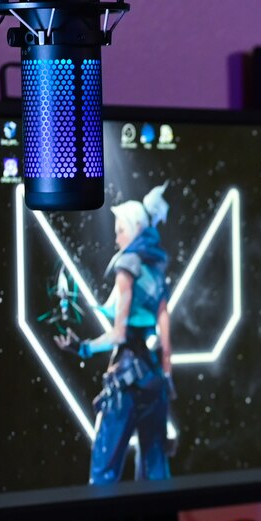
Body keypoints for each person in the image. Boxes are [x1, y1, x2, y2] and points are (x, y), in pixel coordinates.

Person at [56, 186, 175, 484]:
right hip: (153, 379)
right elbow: (164, 323)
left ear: (136, 229)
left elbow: (119, 333)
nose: (117, 237)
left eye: (121, 230)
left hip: (126, 379)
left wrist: (82, 348)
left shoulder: (127, 266)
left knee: (104, 471)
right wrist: (166, 371)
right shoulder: (156, 266)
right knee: (155, 470)